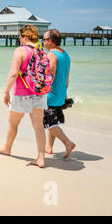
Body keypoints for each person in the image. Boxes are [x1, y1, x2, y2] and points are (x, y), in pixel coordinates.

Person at [0, 24, 48, 168]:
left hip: (23, 94)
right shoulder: (41, 51)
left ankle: (7, 148)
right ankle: (41, 158)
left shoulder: (20, 51)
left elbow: (13, 74)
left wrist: (6, 92)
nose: (19, 39)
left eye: (20, 36)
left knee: (13, 123)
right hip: (40, 94)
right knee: (38, 127)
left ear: (25, 37)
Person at [42, 29, 76, 158]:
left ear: (50, 41)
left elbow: (49, 78)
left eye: (44, 39)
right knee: (53, 122)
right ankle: (49, 147)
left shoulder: (51, 55)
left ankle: (68, 143)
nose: (43, 41)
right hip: (61, 94)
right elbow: (66, 78)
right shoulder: (65, 55)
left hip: (51, 95)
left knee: (47, 123)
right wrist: (64, 95)